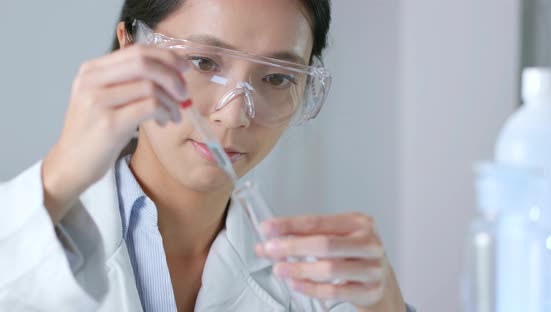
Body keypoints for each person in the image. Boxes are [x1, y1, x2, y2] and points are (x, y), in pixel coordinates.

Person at [0, 0, 413, 311]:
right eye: (202, 61)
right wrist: (56, 181)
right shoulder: (21, 237)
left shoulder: (317, 291)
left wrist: (388, 305)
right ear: (131, 50)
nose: (233, 116)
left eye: (275, 78)